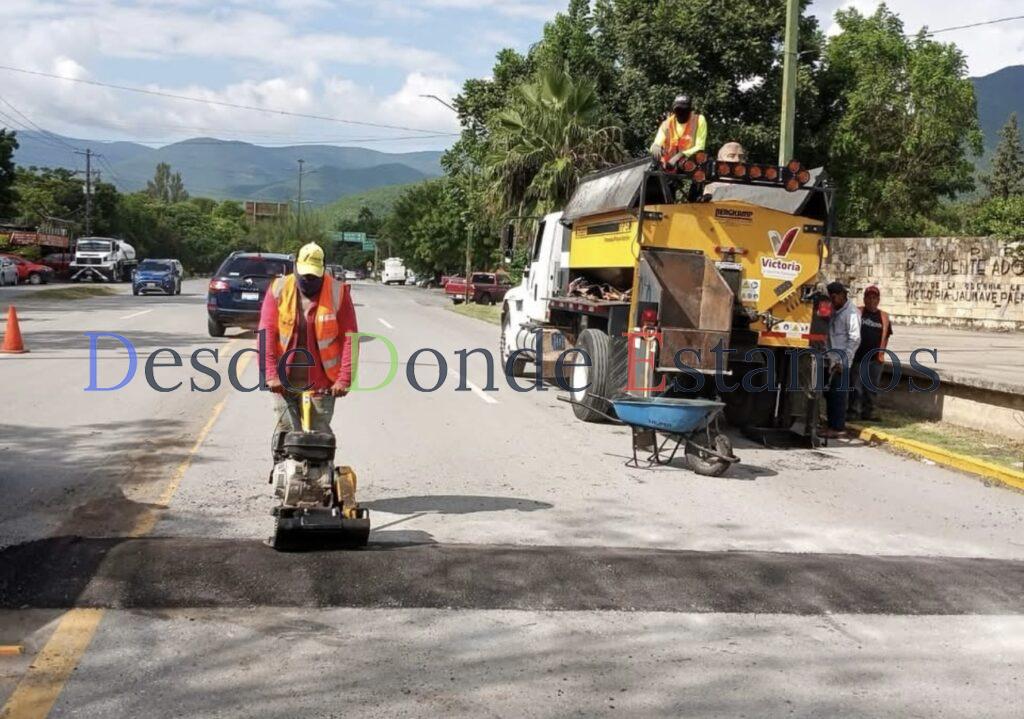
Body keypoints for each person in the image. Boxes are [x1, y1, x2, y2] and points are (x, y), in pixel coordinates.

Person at [259, 242, 358, 438]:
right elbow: (266, 333)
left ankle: (323, 469)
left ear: (322, 270)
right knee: (287, 440)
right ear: (295, 267)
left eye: (313, 276)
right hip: (283, 382)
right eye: (304, 274)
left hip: (323, 384)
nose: (307, 279)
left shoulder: (338, 293)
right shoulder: (279, 289)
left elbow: (350, 338)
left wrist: (344, 379)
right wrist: (271, 375)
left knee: (319, 443)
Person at [822, 281, 861, 438]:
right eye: (830, 298)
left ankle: (838, 428)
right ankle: (831, 425)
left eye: (835, 297)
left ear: (843, 295)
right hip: (829, 358)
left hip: (841, 362)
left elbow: (855, 339)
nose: (832, 301)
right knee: (829, 395)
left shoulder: (852, 313)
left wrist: (843, 362)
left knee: (838, 396)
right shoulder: (833, 310)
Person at [852, 285, 892, 422]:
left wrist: (881, 353)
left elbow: (886, 336)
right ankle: (852, 412)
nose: (871, 300)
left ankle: (868, 413)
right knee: (855, 387)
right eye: (868, 297)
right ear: (864, 299)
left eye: (874, 297)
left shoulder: (884, 317)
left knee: (871, 388)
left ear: (878, 300)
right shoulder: (857, 312)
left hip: (875, 359)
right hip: (857, 357)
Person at [649, 94, 708, 167]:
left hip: (689, 166)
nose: (680, 113)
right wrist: (655, 146)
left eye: (684, 110)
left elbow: (700, 147)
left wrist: (680, 155)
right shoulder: (666, 124)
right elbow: (656, 143)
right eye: (678, 110)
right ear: (674, 110)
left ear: (690, 110)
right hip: (667, 167)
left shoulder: (699, 120)